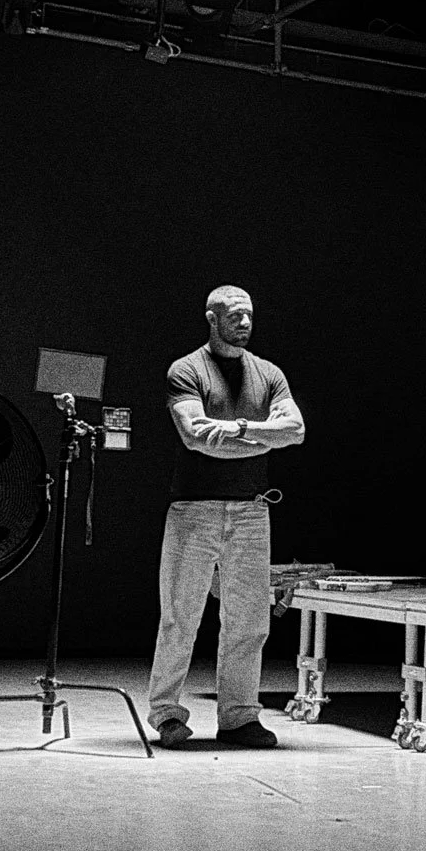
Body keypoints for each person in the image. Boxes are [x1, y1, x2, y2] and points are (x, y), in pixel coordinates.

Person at [147, 285, 305, 749]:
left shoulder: (270, 374)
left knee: (251, 619)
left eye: (250, 314)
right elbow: (195, 435)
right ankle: (167, 714)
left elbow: (294, 431)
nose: (245, 322)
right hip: (194, 510)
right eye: (235, 315)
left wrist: (236, 429)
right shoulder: (187, 370)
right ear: (212, 318)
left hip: (253, 511)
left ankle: (238, 716)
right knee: (181, 615)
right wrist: (262, 436)